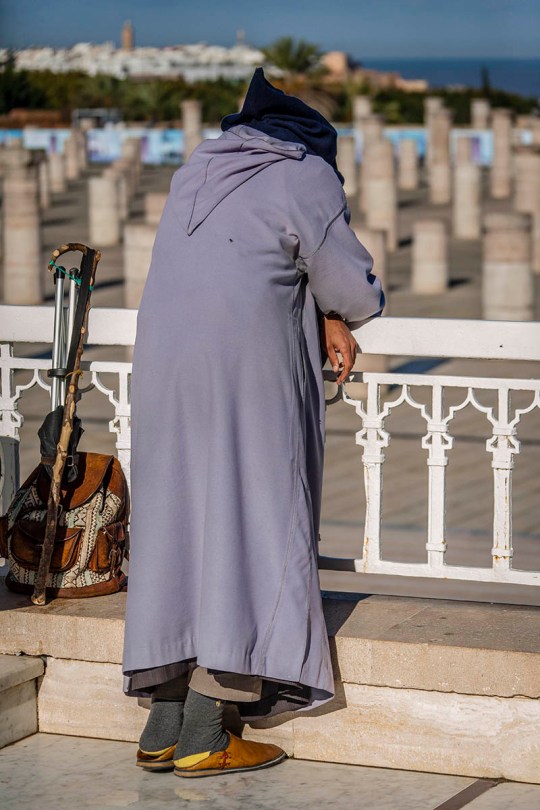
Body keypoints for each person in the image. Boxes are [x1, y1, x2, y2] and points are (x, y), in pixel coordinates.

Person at [122, 67, 384, 778]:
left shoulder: (194, 174)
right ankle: (209, 730)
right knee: (253, 520)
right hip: (242, 373)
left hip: (164, 369)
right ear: (311, 139)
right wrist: (340, 313)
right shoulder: (304, 175)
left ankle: (163, 723)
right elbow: (351, 284)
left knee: (181, 524)